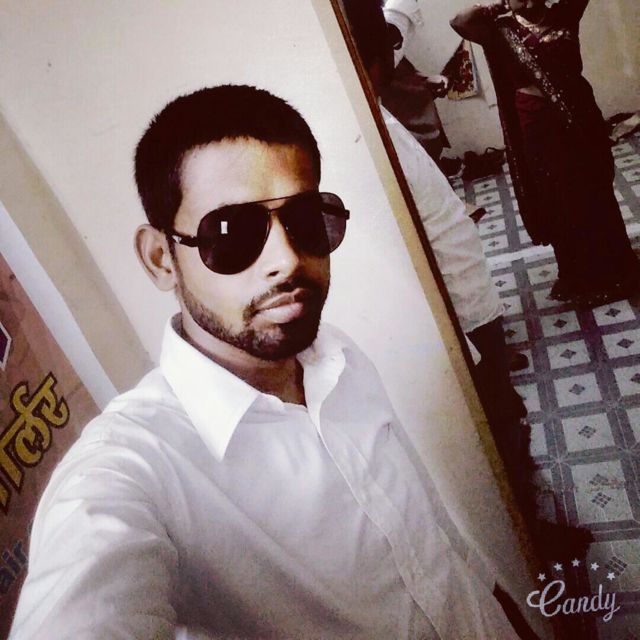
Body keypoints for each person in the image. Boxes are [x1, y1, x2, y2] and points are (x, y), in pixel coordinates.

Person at [9, 85, 522, 639]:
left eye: (307, 219)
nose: (286, 259)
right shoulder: (130, 470)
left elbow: (436, 540)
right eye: (231, 232)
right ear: (162, 260)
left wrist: (505, 612)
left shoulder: (336, 357)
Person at [340, 0, 592, 562]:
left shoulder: (377, 119)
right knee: (498, 429)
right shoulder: (361, 134)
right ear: (375, 62)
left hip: (472, 307)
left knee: (507, 420)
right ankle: (527, 541)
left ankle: (530, 525)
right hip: (458, 315)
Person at [451, 0, 640, 307]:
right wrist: (499, 4)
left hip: (580, 117)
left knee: (595, 190)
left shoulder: (563, 15)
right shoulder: (501, 29)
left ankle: (617, 266)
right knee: (561, 197)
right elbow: (460, 21)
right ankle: (582, 277)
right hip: (538, 124)